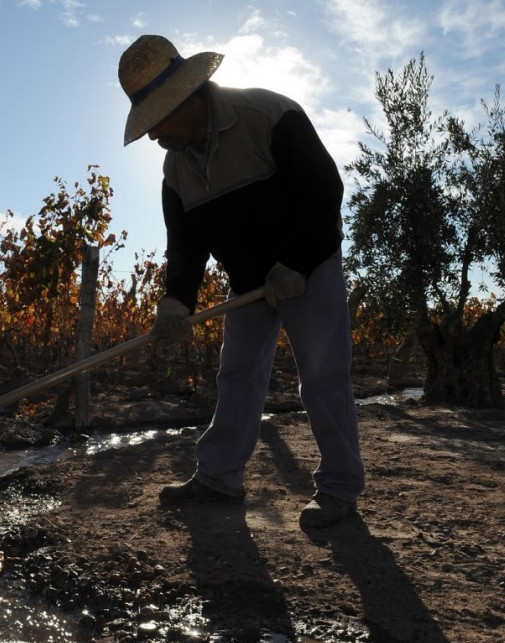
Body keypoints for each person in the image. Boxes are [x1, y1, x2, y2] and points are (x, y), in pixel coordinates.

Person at [118, 35, 364, 528]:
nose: (151, 137)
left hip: (307, 268)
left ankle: (338, 489)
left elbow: (323, 191)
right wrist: (176, 301)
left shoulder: (268, 116)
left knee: (322, 376)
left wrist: (294, 263)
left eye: (155, 121)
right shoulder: (174, 170)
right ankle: (218, 479)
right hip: (248, 283)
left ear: (186, 101)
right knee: (237, 376)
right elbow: (186, 247)